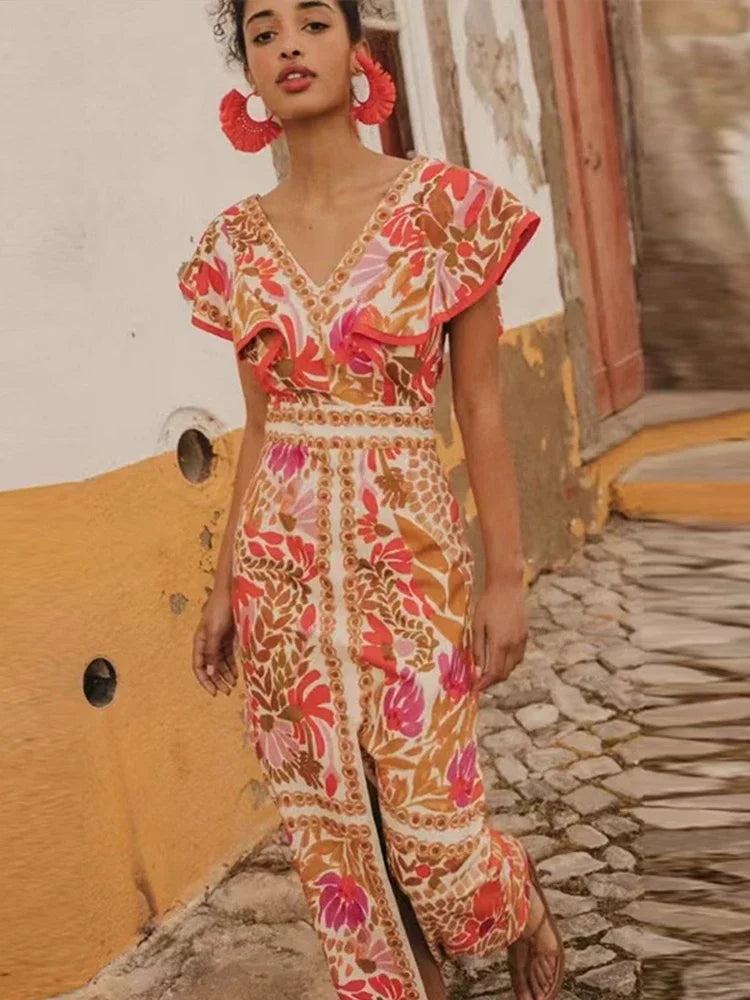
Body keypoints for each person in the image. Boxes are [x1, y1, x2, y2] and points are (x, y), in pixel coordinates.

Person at [177, 2, 564, 998]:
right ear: (248, 72)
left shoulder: (444, 210)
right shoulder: (235, 245)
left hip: (409, 566)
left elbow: (480, 403)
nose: (290, 46)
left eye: (314, 21)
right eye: (264, 32)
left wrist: (504, 577)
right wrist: (224, 583)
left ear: (359, 49)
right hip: (283, 582)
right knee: (338, 836)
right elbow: (260, 430)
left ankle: (511, 893)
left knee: (433, 840)